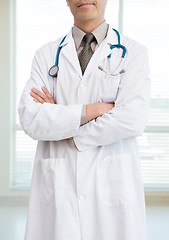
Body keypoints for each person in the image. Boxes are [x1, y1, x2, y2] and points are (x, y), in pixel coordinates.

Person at [18, 0, 151, 239]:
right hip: (59, 186)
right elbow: (31, 118)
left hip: (112, 186)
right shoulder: (46, 55)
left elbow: (132, 118)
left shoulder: (134, 53)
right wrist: (92, 110)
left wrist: (65, 126)